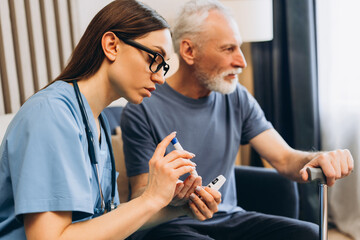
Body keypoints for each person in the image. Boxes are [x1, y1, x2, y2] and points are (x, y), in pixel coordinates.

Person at [120, 0, 354, 239]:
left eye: (239, 48)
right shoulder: (142, 108)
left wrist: (318, 157)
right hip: (171, 225)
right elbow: (140, 194)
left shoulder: (237, 97)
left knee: (310, 235)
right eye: (228, 49)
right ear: (189, 51)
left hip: (229, 217)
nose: (241, 61)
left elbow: (284, 159)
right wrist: (175, 199)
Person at [0, 0, 222, 239]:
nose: (160, 78)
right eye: (155, 58)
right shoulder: (50, 115)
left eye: (164, 66)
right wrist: (151, 197)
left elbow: (103, 222)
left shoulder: (98, 122)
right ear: (112, 45)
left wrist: (179, 209)